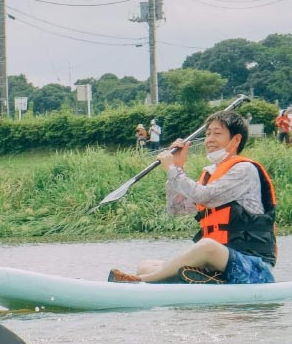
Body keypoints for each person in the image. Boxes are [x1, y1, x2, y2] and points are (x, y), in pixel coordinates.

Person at [110, 110, 277, 285]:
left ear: (236, 140)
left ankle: (140, 281)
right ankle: (200, 280)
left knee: (206, 246)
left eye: (217, 133)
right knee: (146, 265)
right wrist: (178, 166)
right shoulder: (212, 174)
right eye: (208, 133)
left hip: (253, 268)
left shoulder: (244, 169)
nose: (209, 139)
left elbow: (202, 196)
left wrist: (172, 170)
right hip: (217, 264)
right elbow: (178, 209)